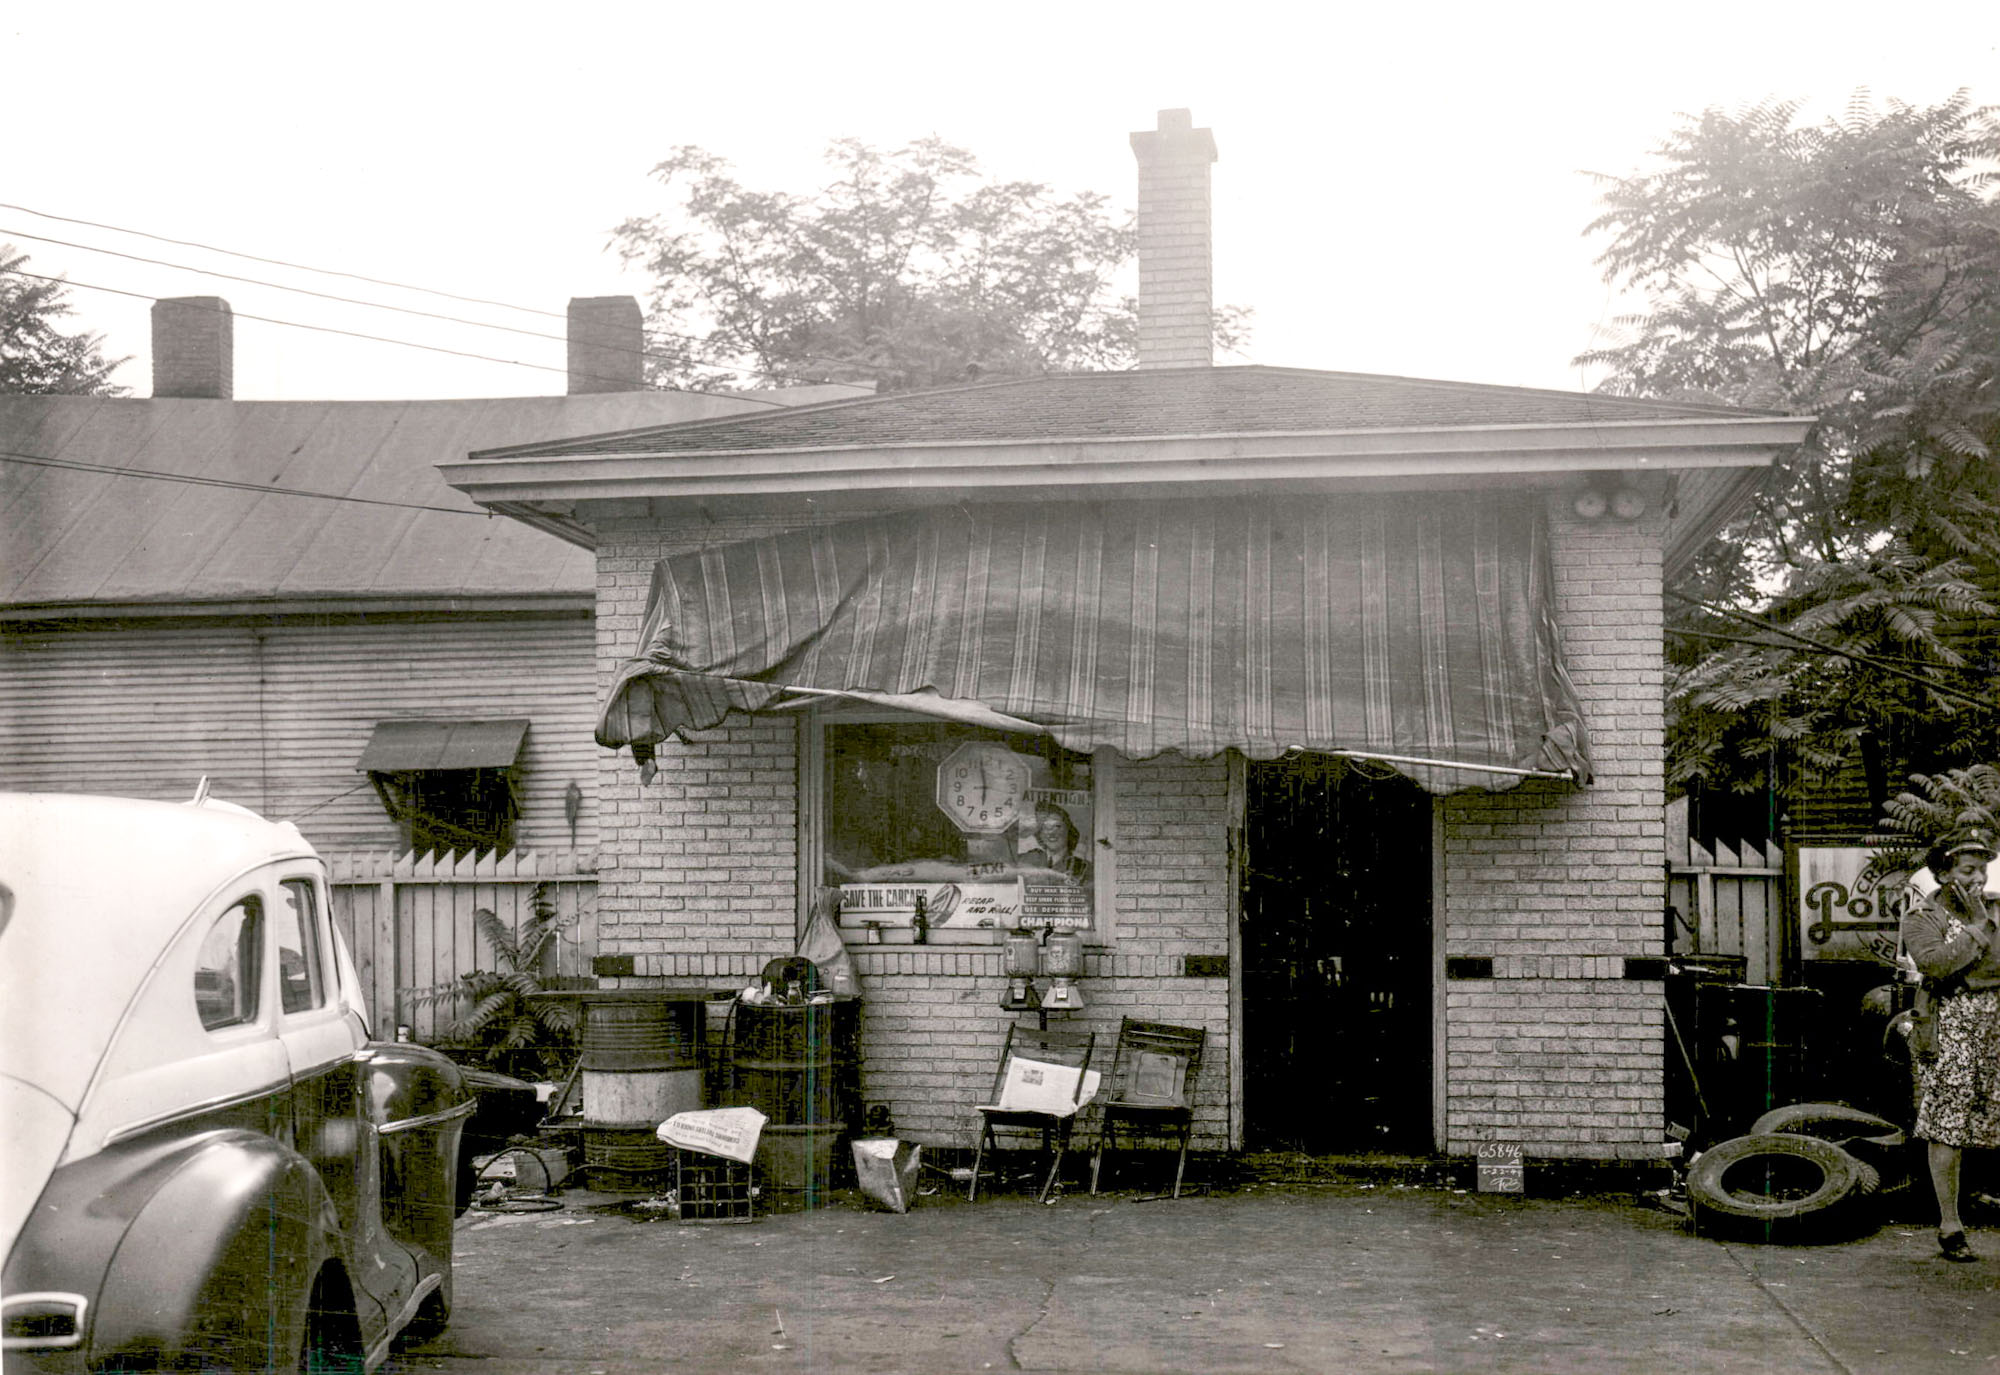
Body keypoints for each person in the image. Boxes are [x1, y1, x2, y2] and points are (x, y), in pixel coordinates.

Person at [1901, 826, 2000, 1261]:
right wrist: (1977, 930)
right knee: (1948, 1127)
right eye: (1967, 870)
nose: (1977, 878)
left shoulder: (1994, 912)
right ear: (1945, 872)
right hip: (1951, 1025)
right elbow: (1936, 965)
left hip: (1995, 1024)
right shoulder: (1923, 916)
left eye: (1982, 870)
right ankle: (1950, 1225)